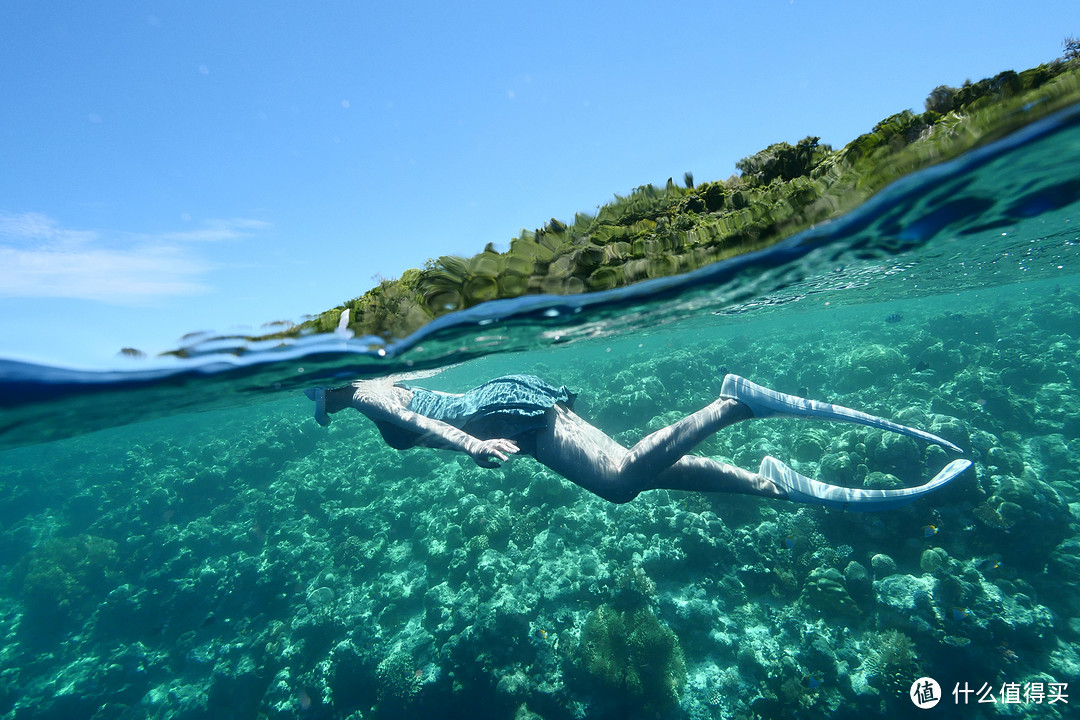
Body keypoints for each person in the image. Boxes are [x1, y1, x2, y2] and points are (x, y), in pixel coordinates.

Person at [304, 373, 970, 510]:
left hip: (506, 415)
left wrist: (468, 446)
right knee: (650, 473)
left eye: (312, 390)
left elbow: (422, 424)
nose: (314, 400)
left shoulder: (364, 392)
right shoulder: (367, 388)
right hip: (510, 416)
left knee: (621, 481)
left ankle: (733, 405)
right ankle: (773, 483)